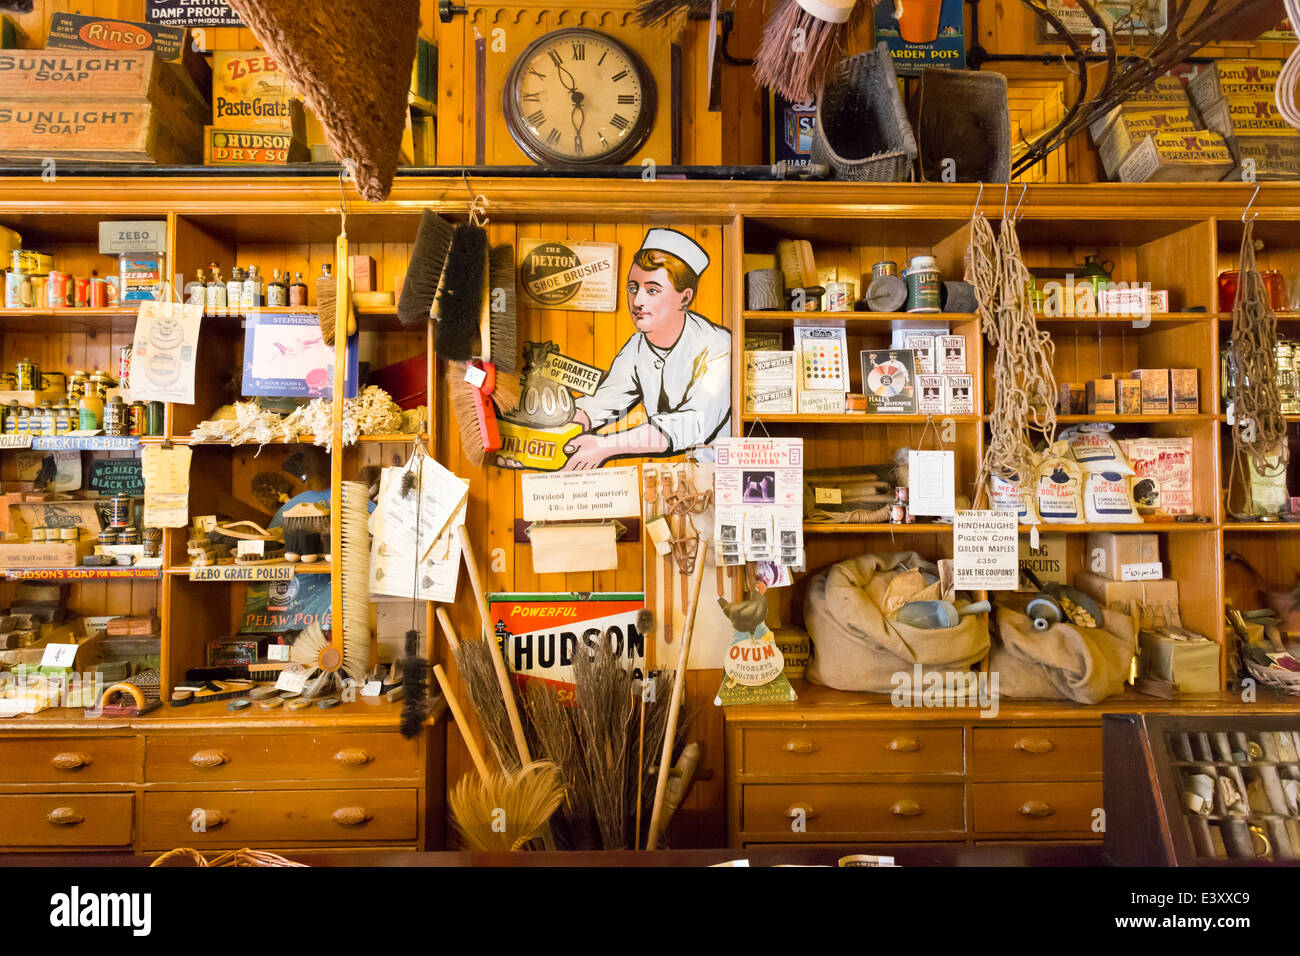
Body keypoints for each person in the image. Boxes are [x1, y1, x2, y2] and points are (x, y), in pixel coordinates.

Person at [562, 229, 731, 471]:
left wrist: (606, 446)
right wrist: (557, 427)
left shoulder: (718, 346)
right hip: (676, 482)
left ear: (685, 298)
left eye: (652, 290)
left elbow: (693, 422)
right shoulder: (638, 345)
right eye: (633, 288)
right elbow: (607, 399)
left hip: (724, 478)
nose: (637, 301)